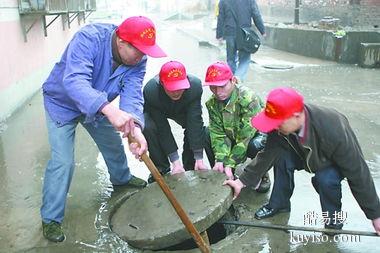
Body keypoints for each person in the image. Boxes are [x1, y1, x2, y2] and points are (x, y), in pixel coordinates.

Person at [41, 16, 167, 242]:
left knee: (112, 144)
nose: (141, 56)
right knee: (63, 162)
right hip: (62, 104)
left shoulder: (138, 60)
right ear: (121, 41)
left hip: (99, 107)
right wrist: (109, 109)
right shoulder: (89, 38)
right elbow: (75, 81)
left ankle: (121, 178)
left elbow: (132, 94)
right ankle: (50, 218)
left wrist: (135, 128)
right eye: (138, 51)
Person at [224, 87, 380, 235]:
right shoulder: (281, 125)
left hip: (327, 160)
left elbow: (358, 173)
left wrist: (376, 215)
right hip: (301, 152)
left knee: (326, 180)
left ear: (297, 116)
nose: (275, 127)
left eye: (278, 123)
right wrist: (241, 182)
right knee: (280, 157)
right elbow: (268, 154)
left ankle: (333, 221)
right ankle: (279, 204)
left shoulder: (334, 128)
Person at [203, 62, 271, 193]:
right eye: (213, 87)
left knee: (255, 145)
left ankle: (261, 173)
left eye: (222, 86)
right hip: (232, 132)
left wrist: (230, 162)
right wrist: (220, 159)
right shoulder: (212, 103)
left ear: (233, 80)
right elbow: (217, 133)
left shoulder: (249, 99)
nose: (218, 92)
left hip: (255, 133)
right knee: (207, 134)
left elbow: (245, 137)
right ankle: (221, 170)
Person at [143, 61, 210, 183]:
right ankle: (162, 168)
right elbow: (163, 128)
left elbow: (195, 121)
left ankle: (191, 164)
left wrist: (199, 158)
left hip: (183, 108)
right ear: (162, 83)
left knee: (193, 126)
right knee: (148, 126)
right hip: (159, 107)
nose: (176, 92)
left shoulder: (194, 87)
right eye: (172, 88)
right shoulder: (151, 91)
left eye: (180, 87)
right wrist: (175, 162)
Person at [216, 0, 266, 82]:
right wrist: (262, 30)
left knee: (231, 59)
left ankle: (231, 80)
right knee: (245, 59)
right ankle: (238, 77)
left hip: (230, 32)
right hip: (244, 33)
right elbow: (256, 14)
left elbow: (220, 17)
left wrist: (219, 35)